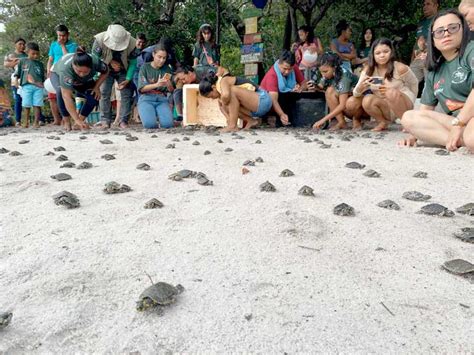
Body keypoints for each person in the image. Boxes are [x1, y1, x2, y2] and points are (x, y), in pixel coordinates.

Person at [399, 9, 474, 152]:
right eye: (439, 31)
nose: (446, 33)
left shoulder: (471, 51)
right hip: (456, 123)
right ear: (432, 39)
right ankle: (457, 140)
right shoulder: (434, 71)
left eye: (452, 28)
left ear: (463, 30)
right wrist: (414, 134)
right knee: (408, 118)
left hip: (466, 119)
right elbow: (425, 112)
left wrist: (459, 124)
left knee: (472, 137)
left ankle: (462, 139)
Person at [351, 38, 418, 132]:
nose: (382, 55)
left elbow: (414, 84)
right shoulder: (368, 70)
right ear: (373, 55)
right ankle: (382, 122)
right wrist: (361, 87)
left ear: (391, 52)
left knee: (390, 92)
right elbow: (355, 94)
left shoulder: (400, 67)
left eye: (386, 51)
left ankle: (406, 123)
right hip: (385, 106)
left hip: (402, 103)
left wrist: (411, 101)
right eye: (378, 53)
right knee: (367, 99)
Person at [92, 24, 140, 128]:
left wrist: (128, 79)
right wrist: (109, 62)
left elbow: (133, 62)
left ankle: (123, 121)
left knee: (126, 93)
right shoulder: (99, 40)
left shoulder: (132, 43)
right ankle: (105, 120)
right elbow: (94, 59)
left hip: (124, 70)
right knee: (104, 92)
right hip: (105, 69)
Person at [50, 47, 109, 130]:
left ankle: (80, 122)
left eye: (85, 72)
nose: (81, 74)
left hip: (83, 81)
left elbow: (106, 71)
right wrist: (75, 118)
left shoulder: (96, 62)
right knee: (60, 92)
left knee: (94, 95)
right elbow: (66, 97)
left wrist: (96, 87)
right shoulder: (66, 70)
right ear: (73, 65)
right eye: (79, 71)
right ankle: (67, 121)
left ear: (91, 67)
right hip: (57, 73)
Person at [199, 72, 272, 132]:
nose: (212, 98)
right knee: (222, 103)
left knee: (230, 92)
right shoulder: (220, 93)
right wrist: (228, 118)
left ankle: (233, 126)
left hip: (262, 99)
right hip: (254, 108)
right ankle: (251, 121)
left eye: (211, 96)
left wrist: (224, 104)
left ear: (213, 87)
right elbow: (224, 106)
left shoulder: (223, 81)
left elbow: (226, 95)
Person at [310, 52, 359, 130]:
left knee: (351, 102)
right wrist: (314, 86)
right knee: (329, 91)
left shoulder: (344, 77)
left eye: (325, 72)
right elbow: (320, 86)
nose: (323, 75)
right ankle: (341, 122)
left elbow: (342, 105)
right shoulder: (327, 73)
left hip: (357, 105)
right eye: (321, 72)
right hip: (346, 99)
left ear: (334, 67)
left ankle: (357, 120)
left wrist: (323, 120)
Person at [259, 50, 307, 126]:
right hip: (268, 103)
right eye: (284, 69)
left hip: (285, 100)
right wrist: (281, 114)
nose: (287, 72)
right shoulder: (272, 75)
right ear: (279, 64)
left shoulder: (294, 68)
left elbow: (304, 83)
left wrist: (301, 88)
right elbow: (273, 100)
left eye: (290, 69)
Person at [47, 24, 78, 125]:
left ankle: (71, 118)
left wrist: (62, 46)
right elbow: (50, 59)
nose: (61, 38)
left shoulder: (73, 45)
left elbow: (68, 58)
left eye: (63, 35)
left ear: (68, 34)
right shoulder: (53, 44)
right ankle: (66, 119)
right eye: (59, 36)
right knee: (59, 90)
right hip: (54, 71)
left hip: (67, 72)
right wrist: (48, 70)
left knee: (67, 94)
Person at [137, 45, 174, 129]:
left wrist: (169, 85)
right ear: (153, 54)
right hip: (146, 98)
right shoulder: (144, 67)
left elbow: (171, 90)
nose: (161, 60)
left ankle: (163, 119)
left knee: (168, 125)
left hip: (162, 98)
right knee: (149, 125)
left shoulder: (167, 68)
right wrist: (157, 84)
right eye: (159, 57)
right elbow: (142, 88)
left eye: (164, 58)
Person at [14, 42, 45, 128]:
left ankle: (36, 122)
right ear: (27, 52)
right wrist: (16, 81)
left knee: (37, 104)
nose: (35, 56)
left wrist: (43, 85)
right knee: (26, 104)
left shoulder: (40, 64)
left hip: (38, 87)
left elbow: (43, 77)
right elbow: (17, 73)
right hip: (26, 86)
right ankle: (25, 122)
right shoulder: (22, 61)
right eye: (33, 54)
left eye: (37, 54)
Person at [3, 38, 27, 125]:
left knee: (31, 97)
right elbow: (6, 64)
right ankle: (18, 121)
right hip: (16, 78)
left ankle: (40, 119)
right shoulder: (10, 54)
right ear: (15, 44)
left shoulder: (27, 54)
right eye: (20, 44)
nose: (22, 46)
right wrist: (16, 62)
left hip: (27, 78)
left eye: (23, 44)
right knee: (18, 99)